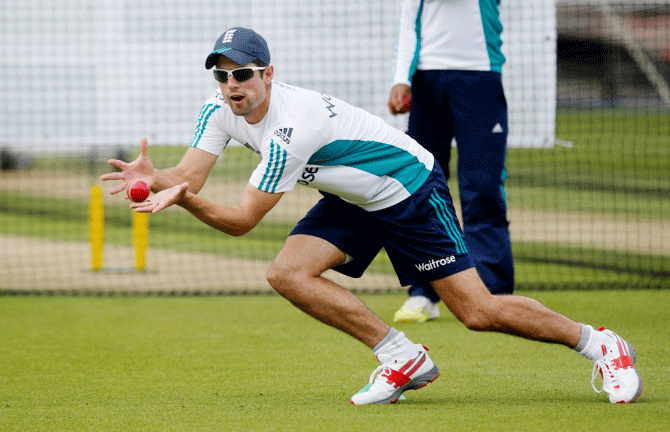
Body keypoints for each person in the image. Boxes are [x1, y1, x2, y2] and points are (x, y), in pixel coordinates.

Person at [101, 27, 642, 405]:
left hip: (407, 188)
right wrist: (159, 176)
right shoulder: (218, 111)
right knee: (287, 273)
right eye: (221, 76)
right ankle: (401, 356)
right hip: (355, 196)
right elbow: (189, 176)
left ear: (268, 73)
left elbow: (242, 219)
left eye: (241, 73)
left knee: (478, 312)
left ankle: (602, 345)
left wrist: (184, 198)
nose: (231, 86)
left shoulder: (293, 127)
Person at [388, 0, 514, 323]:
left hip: (480, 77)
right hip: (427, 80)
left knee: (483, 187)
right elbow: (408, 18)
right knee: (422, 187)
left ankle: (493, 292)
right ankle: (424, 292)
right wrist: (401, 77)